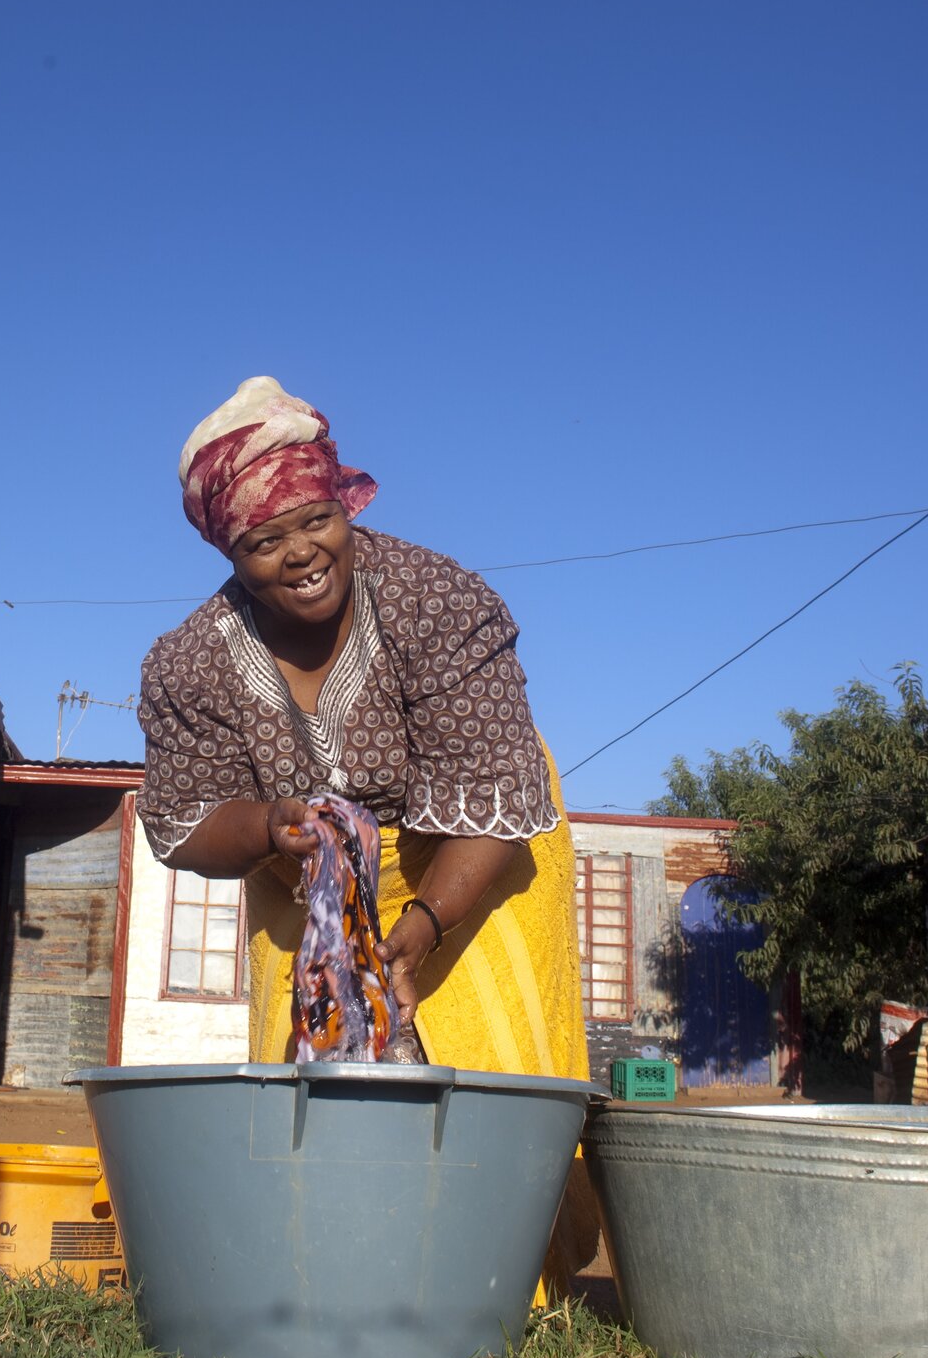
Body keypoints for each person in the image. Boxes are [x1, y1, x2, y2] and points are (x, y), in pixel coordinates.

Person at [137, 374, 598, 1292]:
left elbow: (495, 799)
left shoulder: (435, 601)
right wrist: (273, 826)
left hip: (478, 850)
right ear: (230, 551)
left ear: (344, 503)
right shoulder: (189, 664)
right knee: (318, 1078)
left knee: (484, 1057)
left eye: (317, 520)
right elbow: (184, 822)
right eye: (265, 541)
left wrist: (417, 936)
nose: (302, 553)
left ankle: (505, 1286)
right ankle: (345, 1281)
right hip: (305, 879)